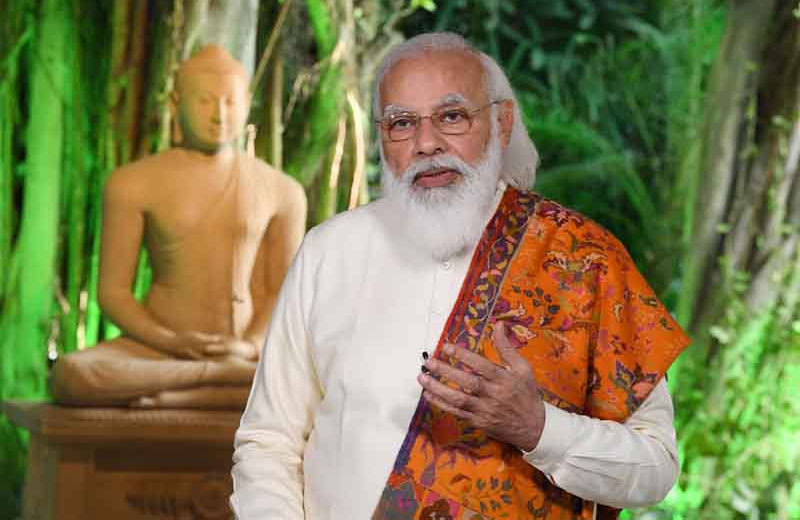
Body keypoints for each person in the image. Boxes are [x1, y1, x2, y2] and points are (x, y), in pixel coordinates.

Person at [230, 32, 690, 519]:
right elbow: (269, 442)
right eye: (402, 123)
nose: (426, 144)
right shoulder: (330, 252)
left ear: (502, 122)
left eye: (452, 116)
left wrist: (539, 428)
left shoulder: (584, 262)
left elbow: (655, 467)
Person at [51, 45, 307, 410]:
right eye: (204, 101)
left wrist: (250, 346)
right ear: (175, 103)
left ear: (248, 104)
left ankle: (194, 390)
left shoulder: (283, 190)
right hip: (156, 352)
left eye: (230, 102)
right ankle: (219, 381)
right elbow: (114, 293)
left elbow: (283, 294)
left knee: (324, 373)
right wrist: (170, 341)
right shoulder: (132, 183)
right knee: (73, 376)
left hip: (244, 351)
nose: (219, 115)